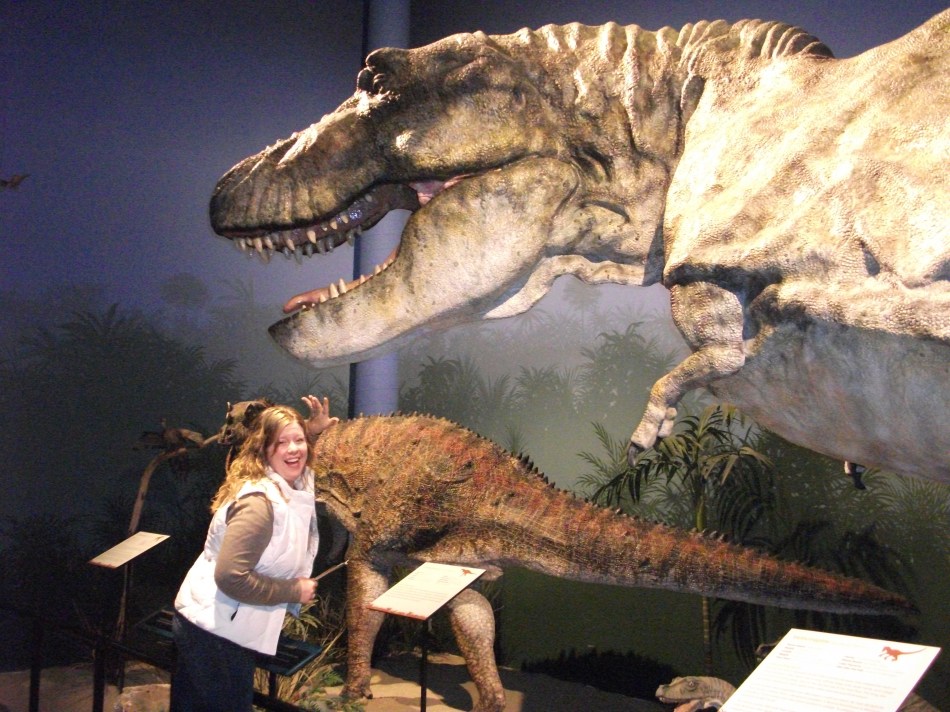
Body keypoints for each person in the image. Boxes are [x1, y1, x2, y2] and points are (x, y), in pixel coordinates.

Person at [170, 395, 338, 711]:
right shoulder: (258, 505)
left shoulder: (278, 482)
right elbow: (231, 577)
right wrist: (293, 591)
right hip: (215, 633)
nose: (293, 449)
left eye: (299, 441)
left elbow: (298, 469)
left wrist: (310, 432)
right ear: (262, 448)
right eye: (281, 443)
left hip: (216, 623)